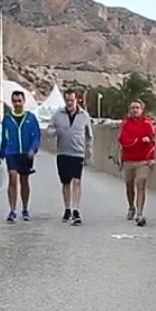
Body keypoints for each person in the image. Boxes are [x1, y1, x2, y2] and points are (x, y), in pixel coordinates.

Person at [48, 89, 93, 225]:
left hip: (78, 153)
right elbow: (49, 130)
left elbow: (89, 134)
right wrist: (56, 131)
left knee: (77, 181)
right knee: (66, 182)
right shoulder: (58, 115)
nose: (69, 103)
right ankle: (67, 208)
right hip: (63, 152)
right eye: (67, 100)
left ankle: (76, 209)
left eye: (71, 100)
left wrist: (89, 149)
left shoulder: (84, 115)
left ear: (76, 100)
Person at [0, 90, 41, 223]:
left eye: (19, 101)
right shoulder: (7, 118)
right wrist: (2, 151)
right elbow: (4, 137)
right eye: (15, 101)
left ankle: (25, 208)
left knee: (24, 181)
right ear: (12, 102)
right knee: (12, 178)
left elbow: (36, 135)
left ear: (23, 102)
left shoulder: (30, 118)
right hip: (12, 152)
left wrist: (33, 149)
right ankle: (12, 210)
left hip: (26, 153)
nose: (17, 104)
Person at [117, 99, 156, 226]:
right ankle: (131, 207)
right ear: (129, 110)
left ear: (141, 109)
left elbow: (152, 142)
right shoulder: (125, 124)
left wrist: (151, 158)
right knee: (129, 186)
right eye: (133, 108)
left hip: (143, 161)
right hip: (128, 160)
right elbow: (123, 140)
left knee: (141, 185)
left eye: (137, 107)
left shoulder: (147, 123)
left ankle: (140, 213)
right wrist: (139, 140)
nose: (135, 110)